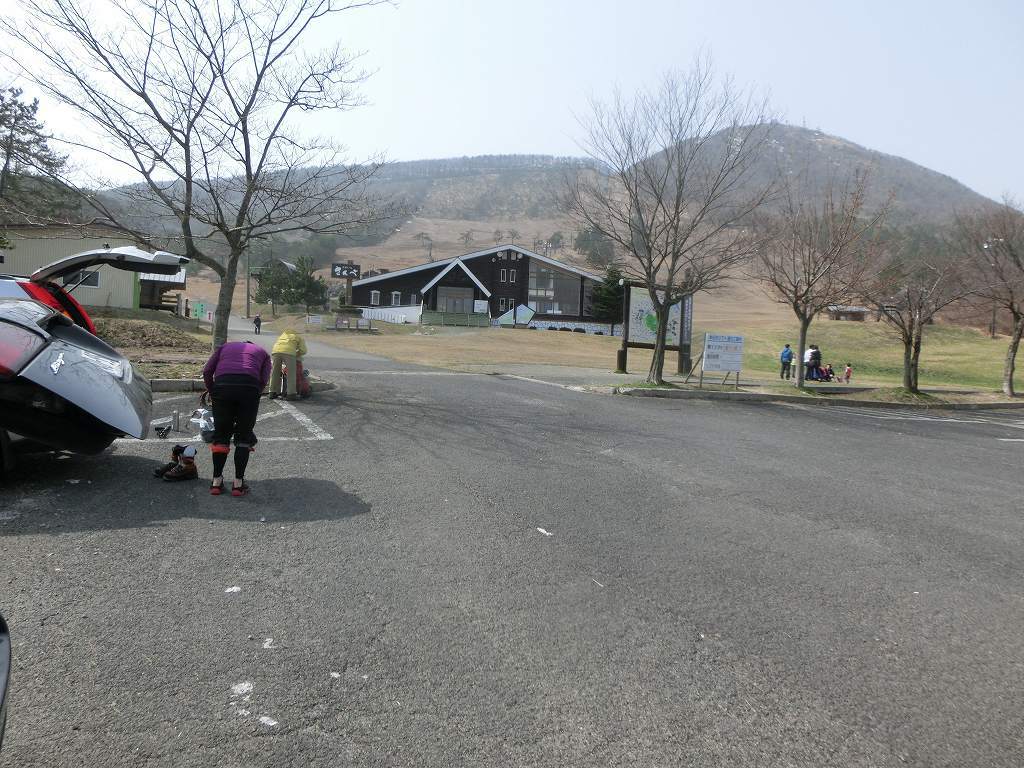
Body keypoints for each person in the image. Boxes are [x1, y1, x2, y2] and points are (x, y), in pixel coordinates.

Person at [202, 340, 271, 496]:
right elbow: (264, 379)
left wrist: (213, 391)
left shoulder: (224, 347)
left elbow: (207, 371)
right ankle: (238, 484)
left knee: (221, 435)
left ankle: (216, 482)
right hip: (249, 387)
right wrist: (254, 394)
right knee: (243, 436)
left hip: (223, 386)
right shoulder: (263, 352)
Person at [270, 327, 308, 400]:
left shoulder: (282, 335)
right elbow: (303, 351)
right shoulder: (298, 337)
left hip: (275, 351)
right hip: (289, 353)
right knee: (291, 374)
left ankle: (272, 392)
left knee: (275, 372)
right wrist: (295, 354)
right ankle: (291, 394)